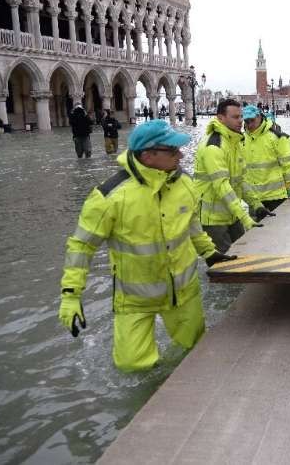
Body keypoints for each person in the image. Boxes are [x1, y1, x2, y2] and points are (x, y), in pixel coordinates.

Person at [58, 120, 234, 371]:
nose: (181, 154)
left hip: (184, 294)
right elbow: (81, 247)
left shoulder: (185, 183)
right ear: (148, 155)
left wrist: (209, 253)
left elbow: (192, 225)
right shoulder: (109, 196)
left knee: (196, 356)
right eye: (173, 150)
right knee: (133, 368)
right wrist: (71, 296)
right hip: (134, 301)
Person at [194, 99, 262, 252]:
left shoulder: (234, 142)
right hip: (213, 219)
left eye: (241, 116)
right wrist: (245, 217)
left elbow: (240, 180)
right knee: (225, 268)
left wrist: (256, 205)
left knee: (244, 255)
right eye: (235, 117)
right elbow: (222, 185)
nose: (241, 121)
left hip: (232, 214)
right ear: (220, 118)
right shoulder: (214, 146)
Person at [242, 107, 290, 219]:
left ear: (259, 117)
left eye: (252, 120)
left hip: (276, 196)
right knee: (257, 233)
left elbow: (289, 163)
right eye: (246, 121)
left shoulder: (276, 137)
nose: (249, 125)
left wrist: (288, 185)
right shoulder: (242, 139)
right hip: (254, 199)